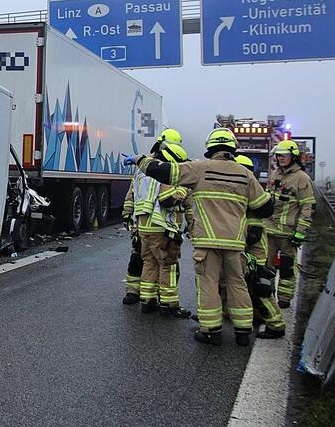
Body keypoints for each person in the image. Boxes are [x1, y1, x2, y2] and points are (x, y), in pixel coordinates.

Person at [126, 128, 274, 346]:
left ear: (210, 148)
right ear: (232, 148)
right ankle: (243, 331)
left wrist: (139, 159)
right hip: (235, 242)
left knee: (208, 283)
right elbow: (265, 208)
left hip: (207, 240)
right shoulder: (245, 175)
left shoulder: (199, 169)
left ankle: (211, 331)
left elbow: (164, 171)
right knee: (237, 283)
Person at [123, 138, 192, 318]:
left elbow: (132, 196)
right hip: (162, 228)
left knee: (149, 263)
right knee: (168, 266)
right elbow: (167, 199)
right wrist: (183, 190)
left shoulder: (142, 174)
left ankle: (147, 301)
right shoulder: (165, 175)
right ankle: (169, 305)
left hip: (144, 228)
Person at [234, 155, 285, 339]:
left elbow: (258, 218)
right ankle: (247, 316)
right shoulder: (244, 187)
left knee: (258, 284)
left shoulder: (250, 189)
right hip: (242, 242)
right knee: (237, 282)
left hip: (253, 244)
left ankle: (276, 324)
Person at [265, 139, 315, 308]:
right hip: (269, 231)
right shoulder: (275, 174)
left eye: (284, 155)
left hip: (288, 233)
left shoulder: (301, 178)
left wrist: (301, 232)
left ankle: (285, 299)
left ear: (293, 157)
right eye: (278, 155)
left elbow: (307, 207)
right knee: (265, 267)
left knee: (287, 269)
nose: (280, 158)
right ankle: (267, 297)